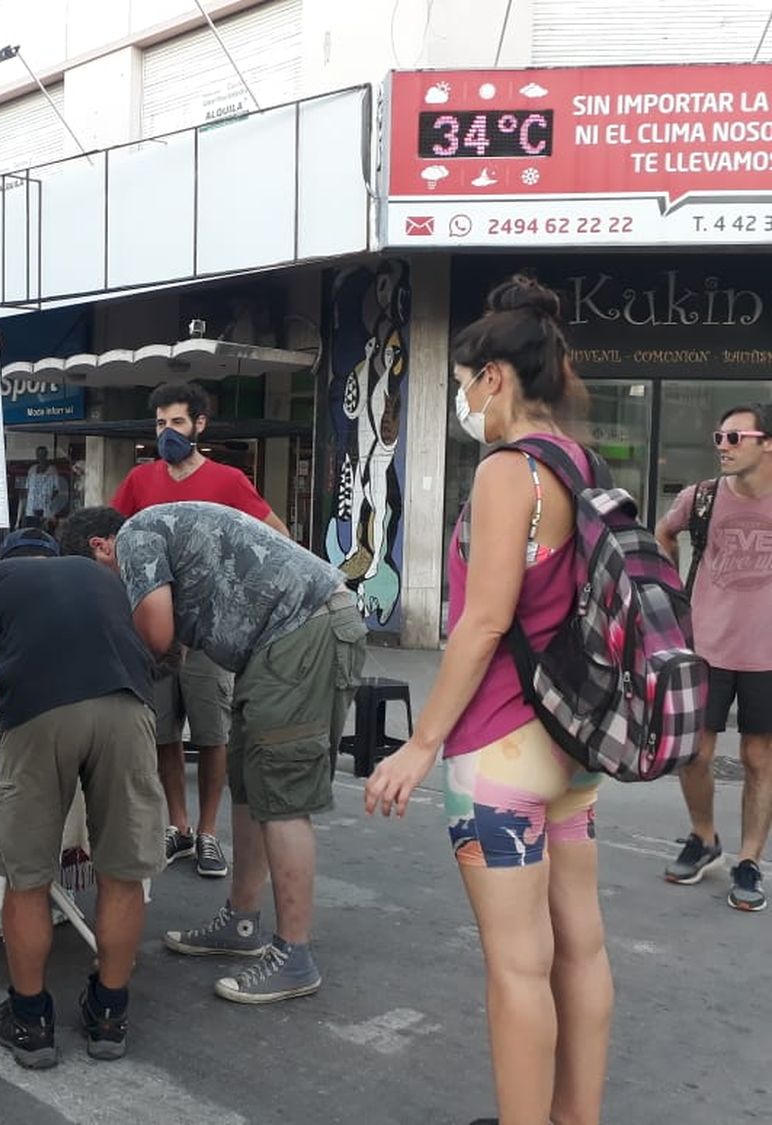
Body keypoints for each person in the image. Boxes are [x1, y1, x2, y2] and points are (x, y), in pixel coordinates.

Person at [363, 276, 610, 1125]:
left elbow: (482, 623)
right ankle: (574, 1116)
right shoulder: (583, 463)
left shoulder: (510, 473)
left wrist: (419, 742)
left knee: (516, 965)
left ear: (496, 376)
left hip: (500, 751)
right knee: (581, 946)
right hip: (572, 746)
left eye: (466, 380)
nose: (465, 396)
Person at [59, 501, 364, 1007]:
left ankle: (295, 954)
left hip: (303, 634)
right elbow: (171, 647)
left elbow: (154, 634)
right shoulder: (151, 533)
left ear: (99, 548)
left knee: (282, 794)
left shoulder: (134, 537)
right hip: (277, 644)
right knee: (250, 784)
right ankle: (242, 922)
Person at [0, 527, 163, 1067]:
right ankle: (109, 1015)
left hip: (41, 717)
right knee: (122, 871)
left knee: (29, 877)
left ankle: (31, 1019)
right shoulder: (100, 575)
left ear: (9, 559)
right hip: (129, 709)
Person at [111, 381, 292, 879]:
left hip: (213, 634)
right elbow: (110, 538)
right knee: (164, 732)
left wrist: (245, 594)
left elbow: (278, 536)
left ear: (200, 425)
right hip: (153, 631)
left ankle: (209, 833)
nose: (167, 432)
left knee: (213, 736)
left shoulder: (229, 481)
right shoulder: (139, 481)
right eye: (160, 424)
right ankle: (180, 826)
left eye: (177, 422)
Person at [655, 403, 772, 913]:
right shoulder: (699, 498)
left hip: (766, 653)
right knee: (694, 754)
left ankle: (749, 861)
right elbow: (663, 532)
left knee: (757, 758)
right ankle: (705, 838)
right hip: (705, 647)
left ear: (766, 442)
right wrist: (672, 596)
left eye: (733, 437)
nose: (721, 446)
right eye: (718, 437)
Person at [19, 446, 64, 528]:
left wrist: (48, 500)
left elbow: (56, 489)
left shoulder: (52, 470)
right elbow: (27, 488)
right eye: (39, 454)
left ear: (46, 455)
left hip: (45, 509)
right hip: (31, 508)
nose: (40, 457)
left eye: (43, 454)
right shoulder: (32, 469)